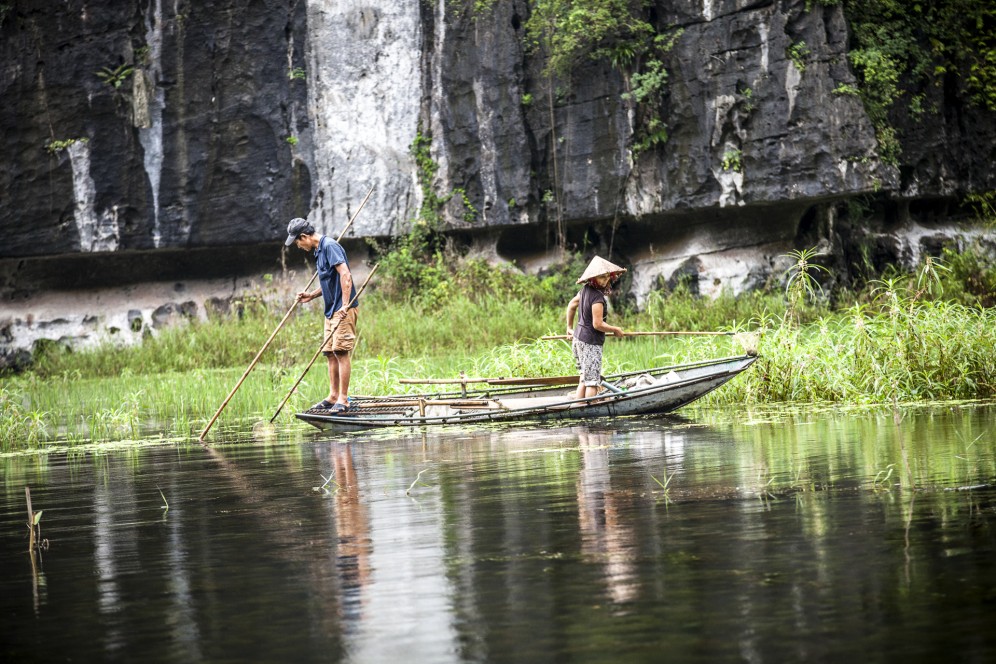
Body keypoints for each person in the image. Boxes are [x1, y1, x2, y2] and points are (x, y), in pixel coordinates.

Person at [285, 217, 358, 412]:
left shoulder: (330, 246)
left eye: (297, 242)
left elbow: (345, 275)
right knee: (329, 352)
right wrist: (312, 295)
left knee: (341, 351)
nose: (298, 246)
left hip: (343, 309)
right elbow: (329, 281)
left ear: (304, 237)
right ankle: (333, 396)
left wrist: (344, 305)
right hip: (330, 309)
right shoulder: (318, 251)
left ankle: (343, 400)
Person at [565, 256, 626, 400]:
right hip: (590, 343)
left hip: (579, 339)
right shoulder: (598, 298)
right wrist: (615, 329)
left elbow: (572, 305)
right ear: (593, 279)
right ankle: (590, 413)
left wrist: (569, 327)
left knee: (584, 379)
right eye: (601, 278)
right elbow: (597, 324)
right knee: (592, 382)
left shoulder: (585, 290)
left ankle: (579, 407)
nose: (605, 281)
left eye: (607, 277)